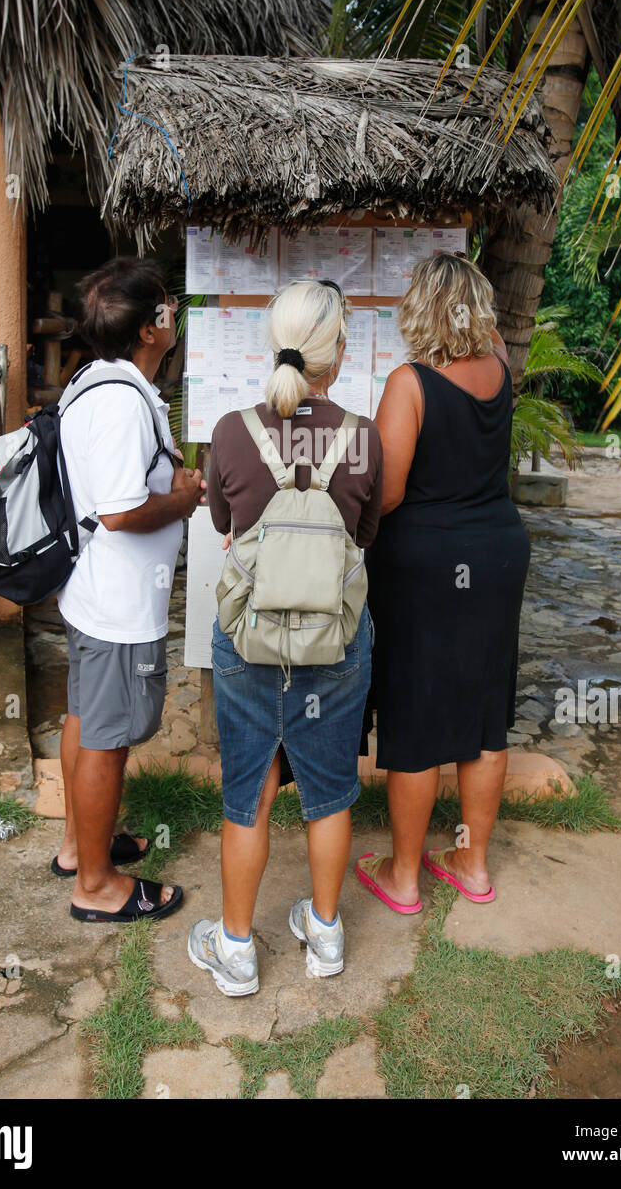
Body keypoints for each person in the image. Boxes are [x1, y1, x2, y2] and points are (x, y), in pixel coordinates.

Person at [188, 279, 382, 997]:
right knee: (330, 791)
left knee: (250, 791)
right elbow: (364, 538)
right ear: (339, 352)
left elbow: (221, 524)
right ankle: (325, 935)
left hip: (249, 641)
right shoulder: (363, 437)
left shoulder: (233, 432)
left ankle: (235, 949)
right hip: (336, 636)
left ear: (275, 342)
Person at [356, 252, 530, 913]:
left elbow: (390, 492)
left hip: (425, 563)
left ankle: (403, 875)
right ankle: (472, 863)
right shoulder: (500, 369)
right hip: (498, 551)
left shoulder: (411, 382)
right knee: (487, 712)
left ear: (421, 309)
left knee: (417, 712)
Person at [53, 257, 206, 923]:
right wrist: (188, 498)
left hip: (92, 591)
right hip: (116, 602)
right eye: (167, 307)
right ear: (150, 328)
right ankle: (96, 884)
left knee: (88, 720)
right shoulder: (119, 402)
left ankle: (76, 845)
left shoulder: (96, 379)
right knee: (107, 740)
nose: (174, 314)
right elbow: (118, 511)